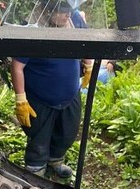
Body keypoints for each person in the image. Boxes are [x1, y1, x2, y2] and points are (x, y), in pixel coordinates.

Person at [11, 0, 93, 179]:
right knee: (39, 137)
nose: (67, 15)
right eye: (62, 12)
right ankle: (35, 170)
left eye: (69, 10)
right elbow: (17, 66)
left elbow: (86, 42)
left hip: (70, 95)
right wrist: (20, 98)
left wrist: (88, 65)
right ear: (47, 12)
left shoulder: (75, 20)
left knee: (67, 132)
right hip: (41, 98)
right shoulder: (33, 31)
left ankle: (56, 161)